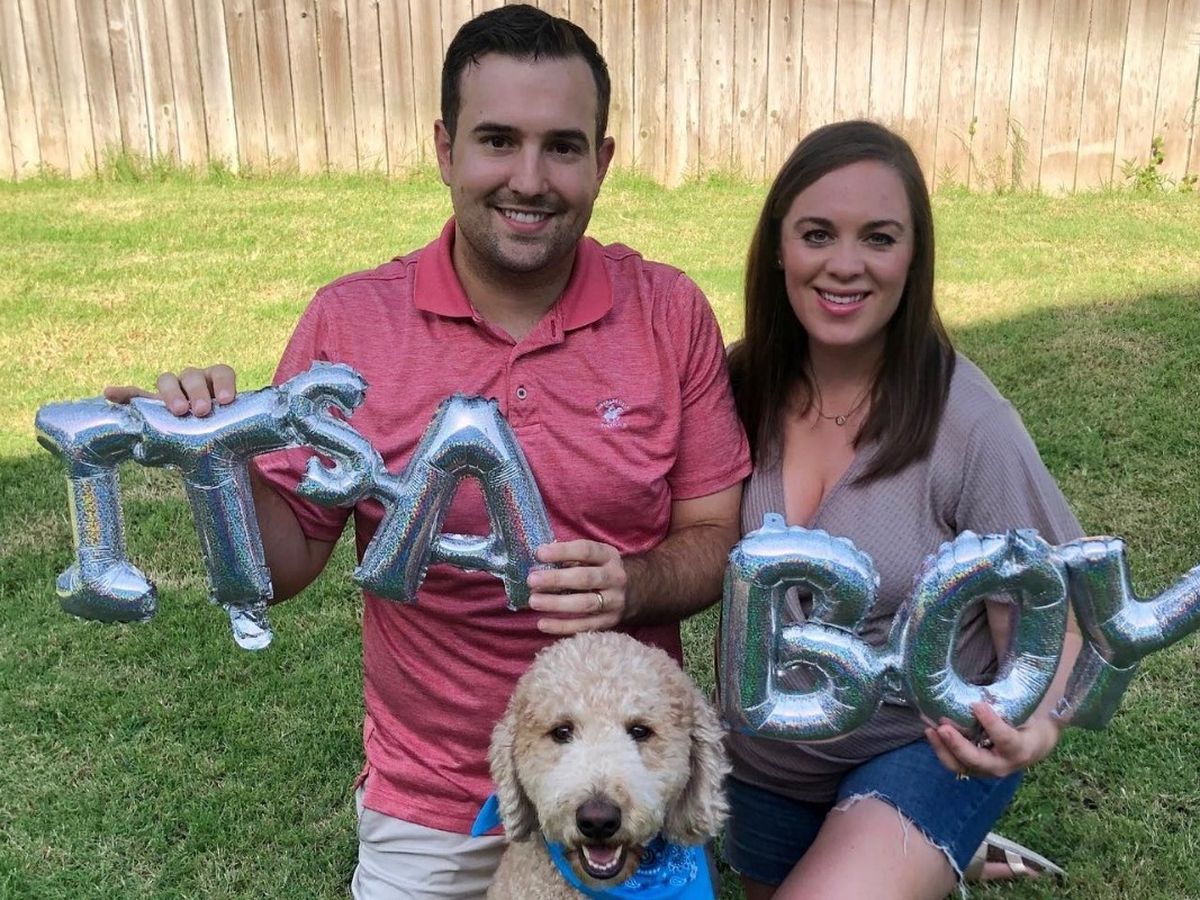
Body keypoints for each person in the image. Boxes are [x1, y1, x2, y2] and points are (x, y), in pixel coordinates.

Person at [106, 6, 750, 897]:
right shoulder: (352, 323)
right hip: (431, 799)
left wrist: (634, 583)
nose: (530, 179)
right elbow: (284, 565)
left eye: (563, 147)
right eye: (498, 140)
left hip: (625, 789)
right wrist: (215, 461)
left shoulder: (668, 313)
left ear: (602, 161)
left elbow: (717, 535)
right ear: (445, 149)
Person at [722, 120, 1083, 900]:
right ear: (779, 246)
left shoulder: (970, 425)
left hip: (925, 750)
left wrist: (1039, 724)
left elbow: (1065, 615)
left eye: (879, 238)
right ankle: (925, 857)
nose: (845, 264)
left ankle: (921, 835)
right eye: (817, 234)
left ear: (913, 257)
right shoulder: (736, 388)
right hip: (766, 762)